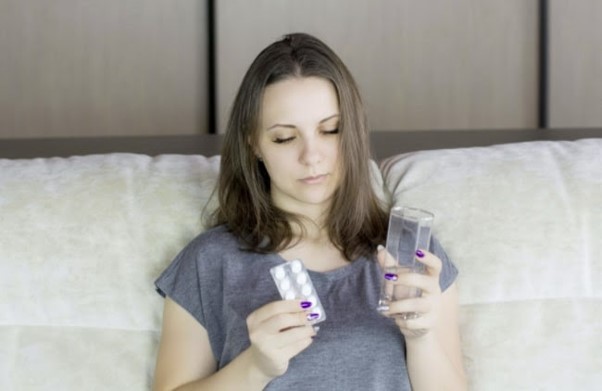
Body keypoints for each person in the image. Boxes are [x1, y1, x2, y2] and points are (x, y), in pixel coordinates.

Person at [153, 32, 466, 391]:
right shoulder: (209, 261)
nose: (311, 156)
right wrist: (255, 367)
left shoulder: (412, 258)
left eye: (330, 130)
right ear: (253, 142)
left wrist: (421, 337)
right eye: (285, 138)